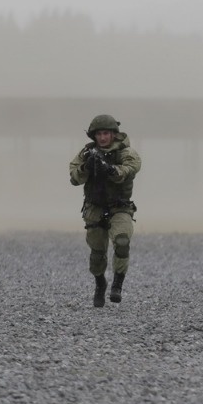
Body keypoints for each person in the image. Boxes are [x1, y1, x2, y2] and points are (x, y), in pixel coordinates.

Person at [69, 114, 142, 307]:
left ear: (113, 134)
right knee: (97, 253)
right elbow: (74, 178)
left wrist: (110, 169)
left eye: (106, 134)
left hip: (120, 208)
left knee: (122, 241)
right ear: (94, 136)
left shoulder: (126, 152)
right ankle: (100, 283)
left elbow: (130, 168)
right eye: (99, 134)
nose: (103, 138)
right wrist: (86, 167)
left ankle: (118, 283)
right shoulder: (87, 153)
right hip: (95, 208)